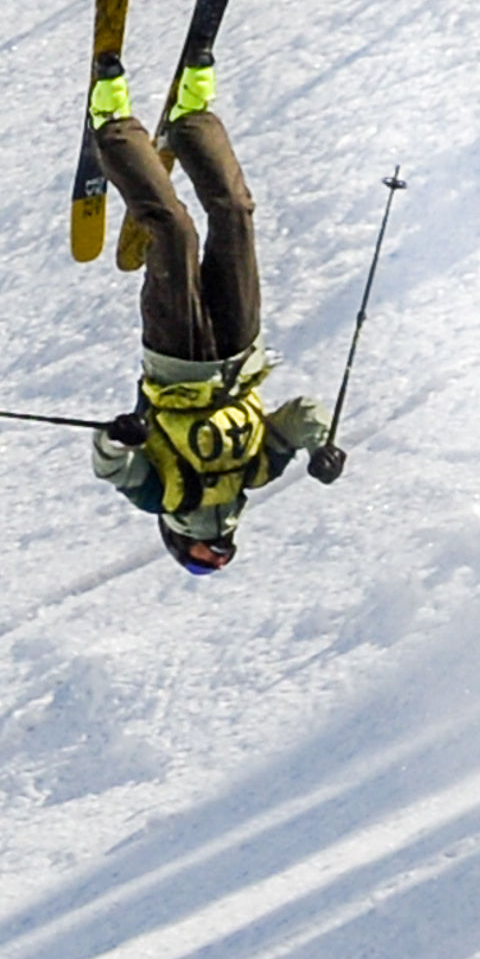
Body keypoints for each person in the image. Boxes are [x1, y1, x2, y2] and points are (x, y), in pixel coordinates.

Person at [83, 53, 343, 573]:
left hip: (177, 364)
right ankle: (193, 117)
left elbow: (110, 468)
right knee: (236, 218)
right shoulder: (256, 473)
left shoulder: (165, 499)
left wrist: (118, 436)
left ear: (181, 543)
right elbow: (302, 413)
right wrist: (321, 447)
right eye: (223, 556)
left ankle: (112, 123)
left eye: (206, 558)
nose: (221, 554)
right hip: (240, 354)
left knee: (174, 233)